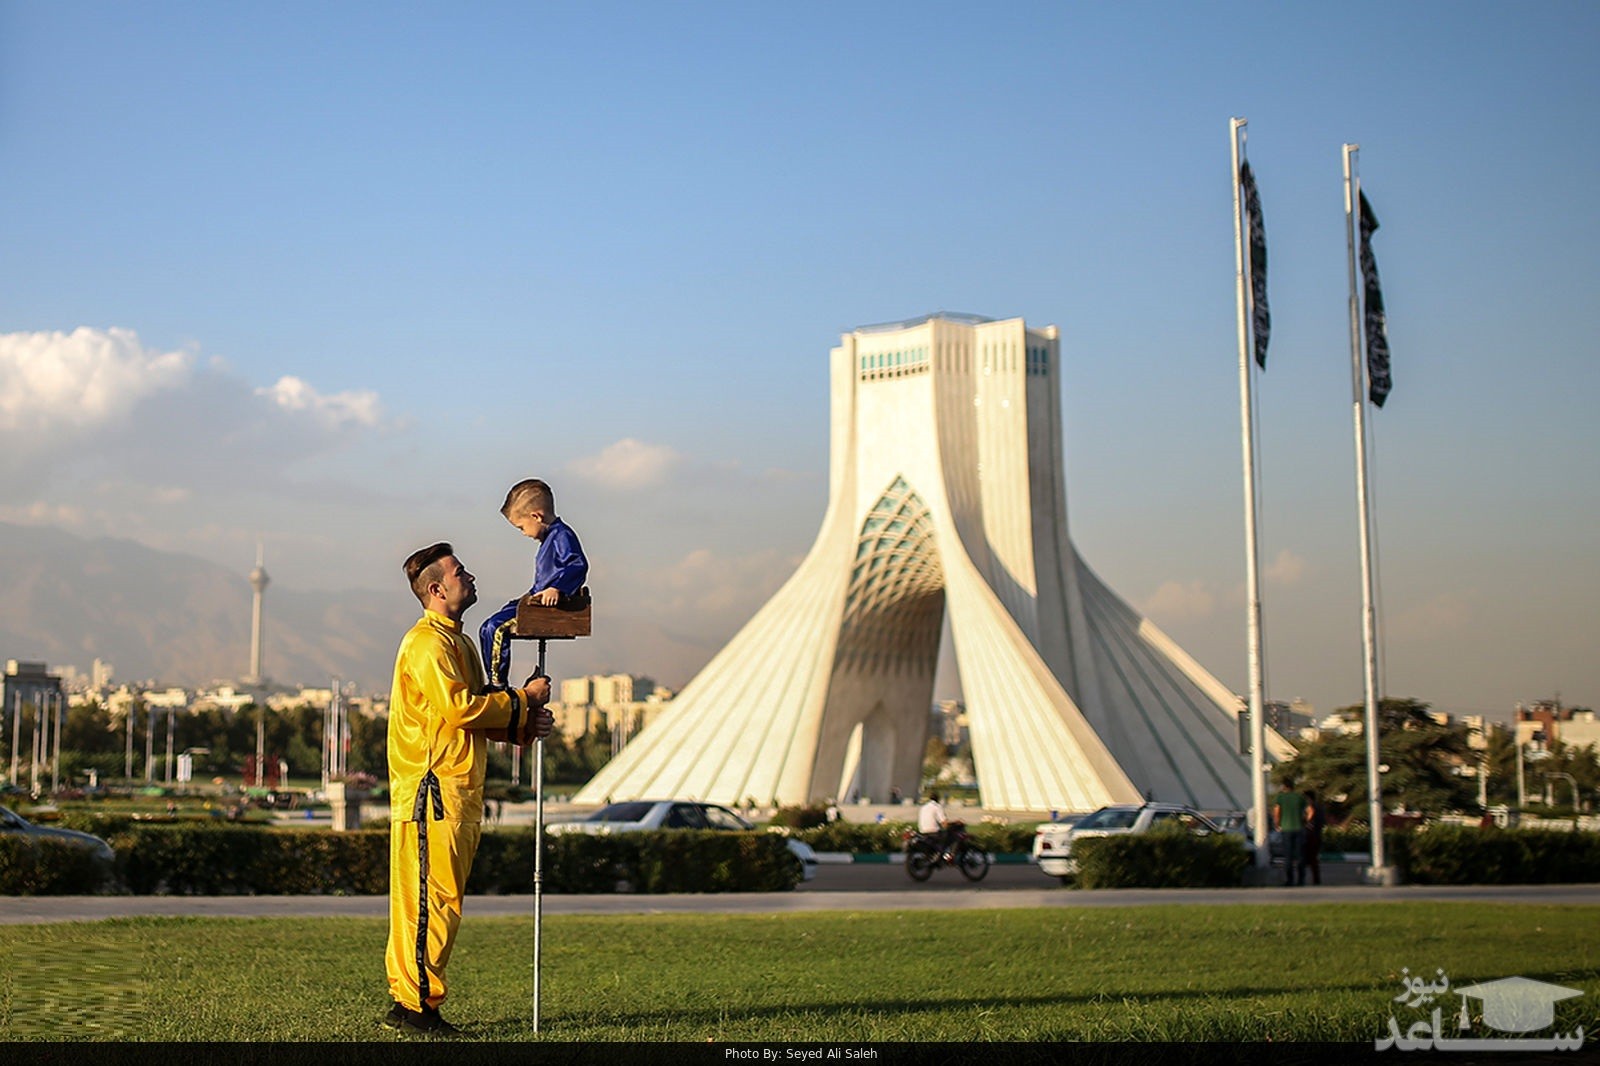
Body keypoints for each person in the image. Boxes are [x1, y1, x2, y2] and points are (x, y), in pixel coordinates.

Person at [384, 542, 554, 1036]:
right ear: (437, 589)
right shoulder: (428, 644)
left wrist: (521, 722)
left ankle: (409, 997)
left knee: (437, 899)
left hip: (455, 788)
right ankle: (418, 1005)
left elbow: (472, 713)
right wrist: (523, 700)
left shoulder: (457, 643)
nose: (470, 577)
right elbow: (461, 708)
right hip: (432, 792)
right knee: (431, 901)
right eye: (460, 572)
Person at [479, 478, 590, 691]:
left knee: (495, 628)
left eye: (521, 527)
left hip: (547, 605)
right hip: (535, 598)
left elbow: (578, 565)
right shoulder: (550, 538)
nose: (523, 533)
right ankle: (494, 679)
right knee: (491, 623)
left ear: (536, 516)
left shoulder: (561, 535)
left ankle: (497, 683)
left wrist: (558, 587)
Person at [1272, 776, 1308, 887]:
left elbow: (1277, 812)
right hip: (1299, 828)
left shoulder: (1281, 798)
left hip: (1286, 829)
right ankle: (1301, 880)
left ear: (1284, 786)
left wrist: (1277, 824)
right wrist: (1304, 822)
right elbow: (1308, 811)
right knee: (1300, 855)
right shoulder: (1299, 797)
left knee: (1288, 857)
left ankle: (1289, 880)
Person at [918, 790, 953, 858]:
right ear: (938, 799)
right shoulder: (937, 806)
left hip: (922, 831)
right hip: (933, 832)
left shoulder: (923, 807)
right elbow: (943, 822)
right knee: (948, 836)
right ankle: (945, 855)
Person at [1302, 788, 1325, 886]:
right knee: (1314, 859)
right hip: (1317, 834)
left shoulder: (1311, 808)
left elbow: (1309, 818)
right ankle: (1316, 879)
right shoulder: (1320, 807)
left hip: (1310, 835)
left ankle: (1303, 879)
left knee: (1307, 858)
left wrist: (1305, 822)